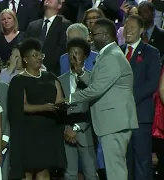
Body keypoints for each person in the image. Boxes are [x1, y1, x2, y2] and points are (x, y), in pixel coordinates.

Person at [65, 18, 139, 180]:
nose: (90, 37)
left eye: (93, 33)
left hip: (115, 122)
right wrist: (81, 72)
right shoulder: (108, 55)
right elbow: (98, 83)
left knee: (115, 169)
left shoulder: (112, 56)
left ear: (105, 36)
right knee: (114, 167)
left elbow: (96, 89)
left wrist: (68, 98)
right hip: (112, 122)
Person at [8, 38, 66, 180]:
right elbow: (20, 106)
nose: (39, 58)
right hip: (27, 133)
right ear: (25, 59)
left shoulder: (50, 77)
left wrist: (62, 105)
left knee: (44, 172)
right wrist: (44, 107)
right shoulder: (18, 81)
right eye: (35, 55)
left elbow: (60, 100)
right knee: (27, 172)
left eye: (41, 55)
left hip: (48, 131)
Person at [121, 15, 161, 180]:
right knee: (125, 161)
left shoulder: (151, 52)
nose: (128, 30)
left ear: (141, 30)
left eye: (132, 27)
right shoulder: (117, 50)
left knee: (142, 162)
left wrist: (128, 99)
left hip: (140, 116)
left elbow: (152, 84)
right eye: (126, 27)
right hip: (120, 118)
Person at [58, 37, 98, 180]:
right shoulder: (60, 80)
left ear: (85, 56)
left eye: (77, 53)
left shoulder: (92, 79)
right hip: (66, 134)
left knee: (91, 174)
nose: (73, 56)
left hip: (85, 133)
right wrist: (66, 128)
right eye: (70, 53)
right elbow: (59, 108)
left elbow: (92, 106)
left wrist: (75, 127)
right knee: (69, 175)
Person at [24, 0, 71, 76]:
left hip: (54, 73)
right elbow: (26, 47)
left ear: (59, 5)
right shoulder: (32, 25)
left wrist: (45, 67)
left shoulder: (65, 24)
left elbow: (62, 50)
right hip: (31, 72)